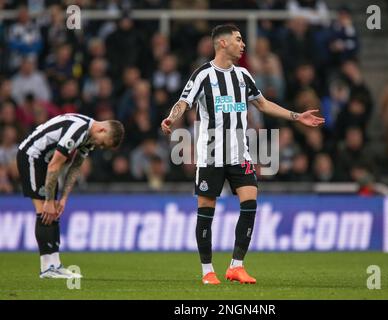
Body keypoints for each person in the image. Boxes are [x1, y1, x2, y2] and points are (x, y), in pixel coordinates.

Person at [161, 24, 324, 285]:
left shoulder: (243, 75)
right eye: (238, 39)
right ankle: (207, 271)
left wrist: (297, 116)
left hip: (240, 153)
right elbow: (184, 101)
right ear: (223, 43)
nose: (243, 44)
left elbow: (263, 103)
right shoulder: (203, 75)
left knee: (250, 203)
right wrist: (171, 118)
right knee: (206, 211)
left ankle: (237, 265)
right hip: (211, 155)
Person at [16, 113, 124, 278]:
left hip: (46, 161)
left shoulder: (89, 136)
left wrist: (63, 198)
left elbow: (74, 169)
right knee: (44, 212)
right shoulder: (78, 130)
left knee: (53, 213)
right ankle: (47, 268)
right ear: (102, 130)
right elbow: (54, 166)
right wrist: (49, 200)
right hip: (32, 156)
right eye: (102, 143)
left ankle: (55, 265)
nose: (99, 146)